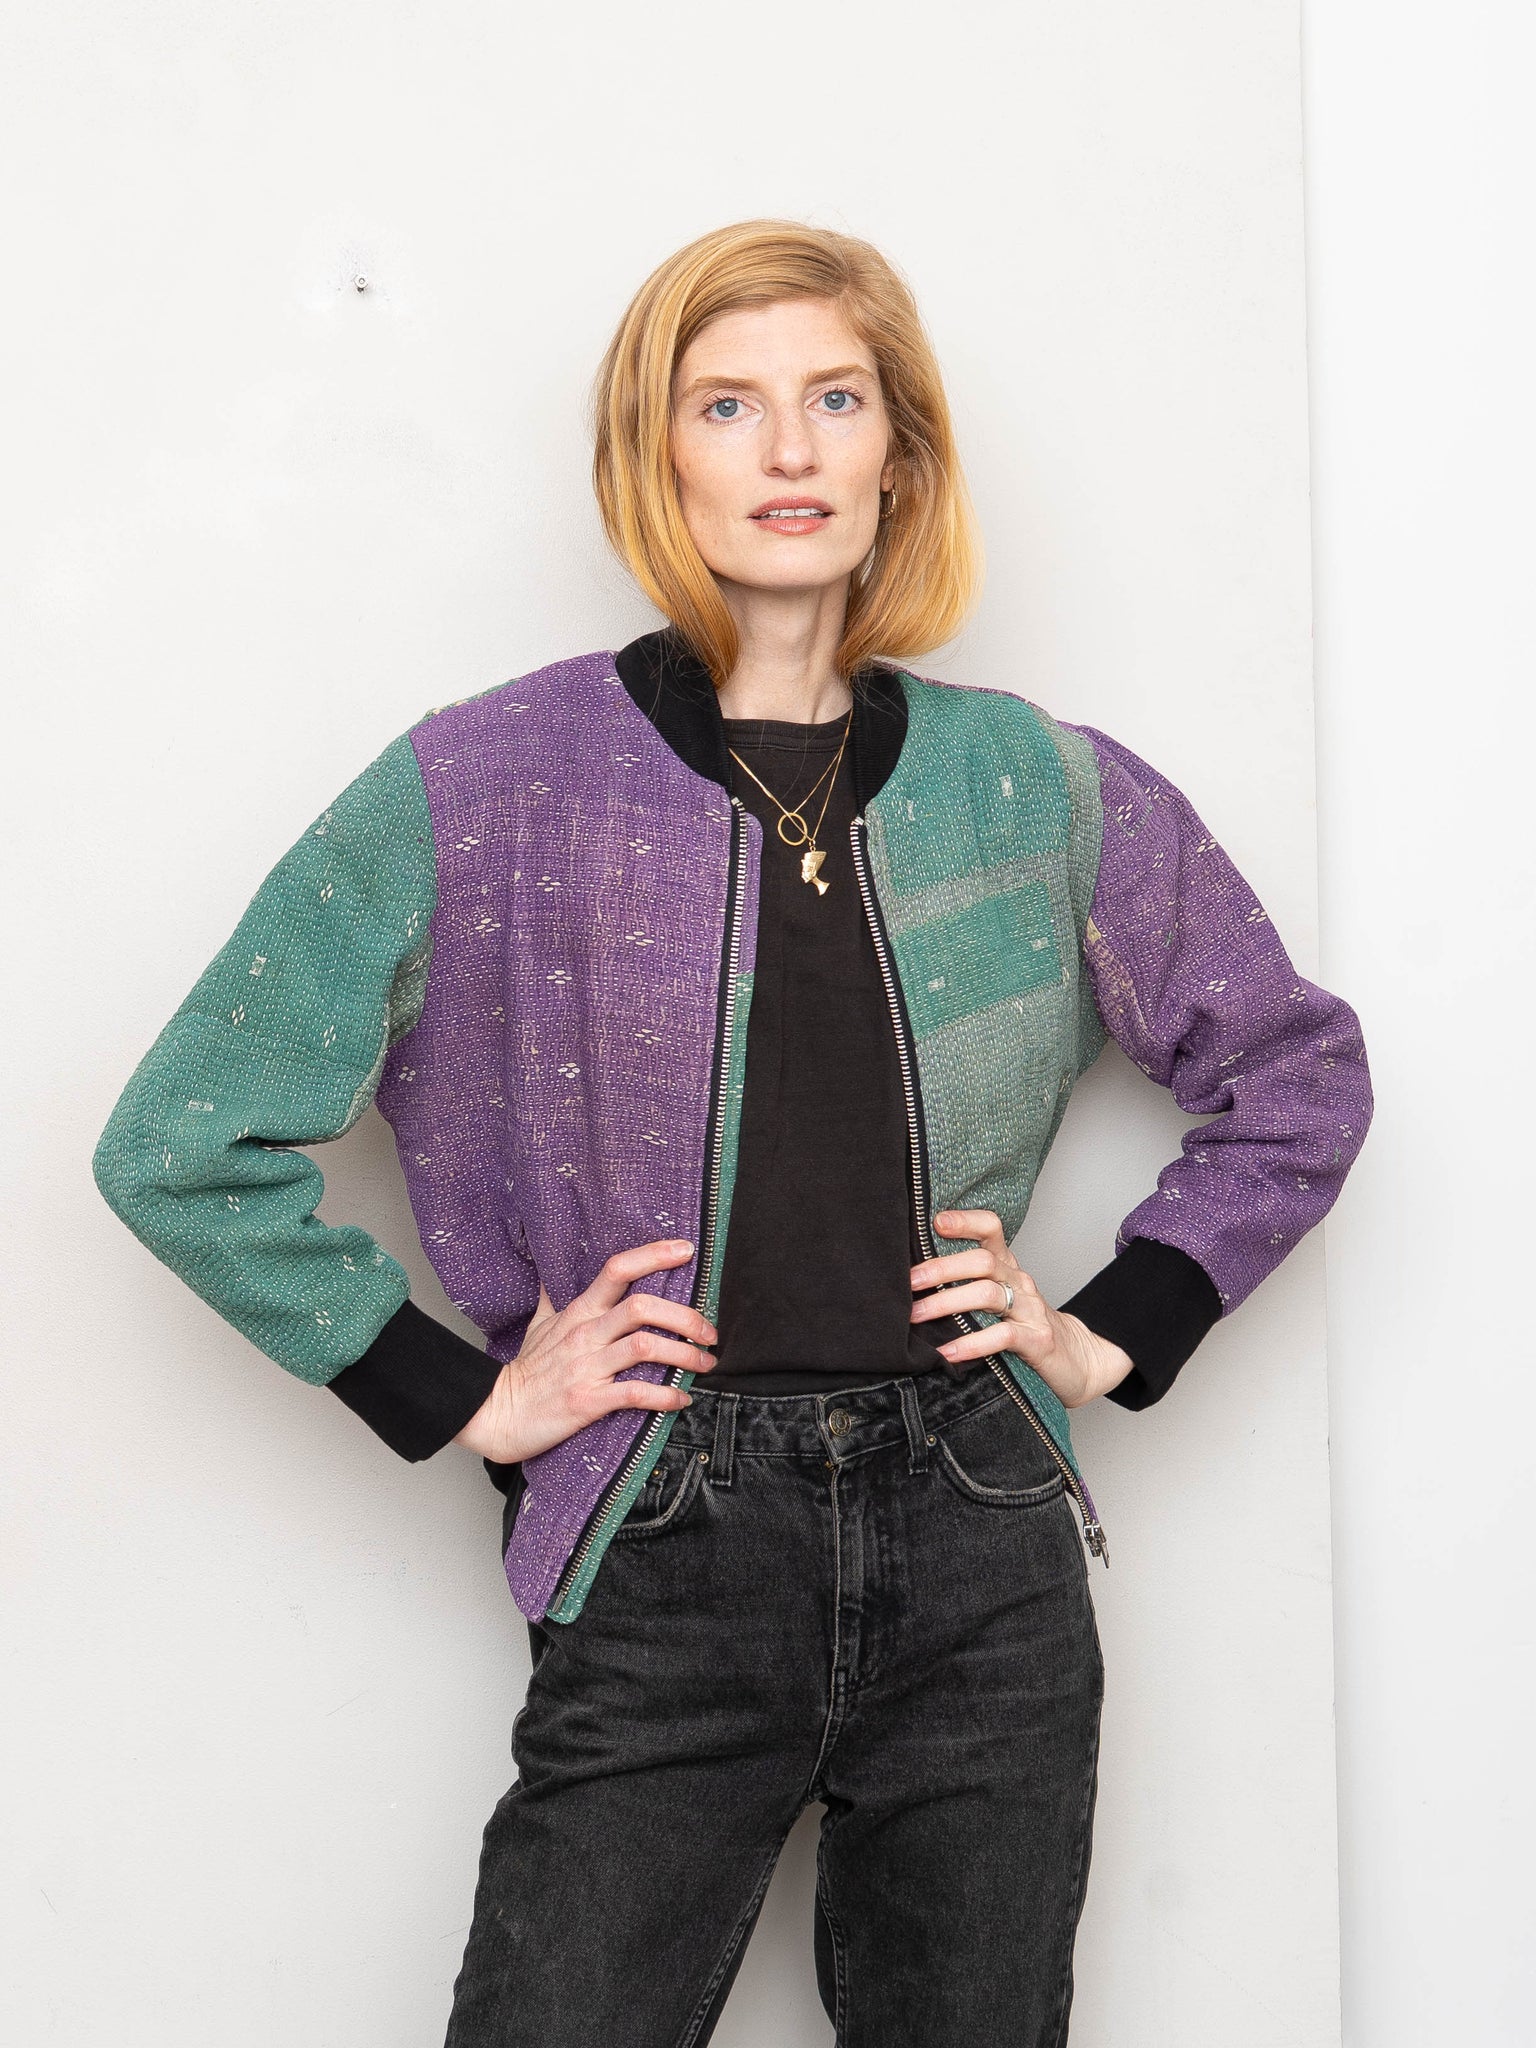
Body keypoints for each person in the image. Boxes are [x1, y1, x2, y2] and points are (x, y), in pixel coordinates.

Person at [91, 218, 1373, 2046]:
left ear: (898, 453)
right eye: (727, 404)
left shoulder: (1040, 785)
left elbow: (1295, 1073)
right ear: (657, 453)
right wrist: (461, 1398)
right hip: (665, 1522)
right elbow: (184, 1137)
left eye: (836, 400)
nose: (788, 448)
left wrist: (1111, 1333)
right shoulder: (487, 782)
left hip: (984, 1539)